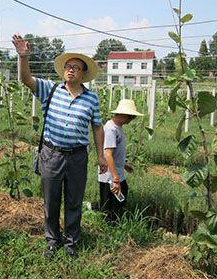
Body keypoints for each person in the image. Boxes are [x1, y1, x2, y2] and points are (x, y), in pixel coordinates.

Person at [12, 34, 107, 258]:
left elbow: (97, 127)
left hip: (77, 158)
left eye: (76, 67)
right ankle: (52, 241)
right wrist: (23, 57)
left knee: (74, 201)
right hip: (51, 155)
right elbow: (25, 79)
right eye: (68, 66)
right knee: (51, 200)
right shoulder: (50, 90)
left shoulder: (91, 99)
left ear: (83, 74)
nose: (71, 70)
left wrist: (101, 156)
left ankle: (72, 242)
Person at [98, 99, 143, 222]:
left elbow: (116, 151)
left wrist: (124, 164)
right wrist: (115, 179)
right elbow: (108, 154)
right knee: (110, 209)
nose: (131, 120)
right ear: (123, 115)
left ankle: (112, 225)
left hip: (117, 172)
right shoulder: (111, 129)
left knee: (119, 202)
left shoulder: (118, 128)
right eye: (131, 117)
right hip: (110, 177)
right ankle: (108, 232)